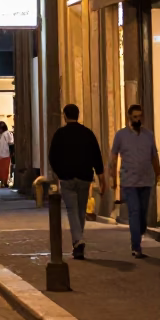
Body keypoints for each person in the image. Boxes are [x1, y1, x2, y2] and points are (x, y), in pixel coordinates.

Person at [48, 103, 106, 260]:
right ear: (78, 115)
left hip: (67, 178)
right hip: (84, 177)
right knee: (80, 210)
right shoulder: (88, 134)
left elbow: (52, 156)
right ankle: (78, 241)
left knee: (72, 210)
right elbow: (97, 156)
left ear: (65, 116)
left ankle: (78, 241)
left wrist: (58, 173)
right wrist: (101, 177)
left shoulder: (60, 134)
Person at [110, 102, 160, 258]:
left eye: (140, 117)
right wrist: (113, 178)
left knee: (142, 214)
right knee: (134, 211)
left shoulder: (149, 135)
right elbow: (113, 157)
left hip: (146, 180)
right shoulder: (120, 135)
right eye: (135, 117)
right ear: (129, 118)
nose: (138, 120)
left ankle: (141, 229)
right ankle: (136, 247)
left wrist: (158, 174)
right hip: (129, 181)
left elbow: (154, 156)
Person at [0, 121, 14, 188]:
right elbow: (11, 142)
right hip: (4, 154)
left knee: (2, 169)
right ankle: (4, 182)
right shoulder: (5, 133)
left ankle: (3, 182)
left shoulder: (2, 134)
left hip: (2, 154)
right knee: (4, 169)